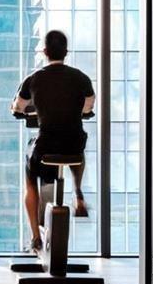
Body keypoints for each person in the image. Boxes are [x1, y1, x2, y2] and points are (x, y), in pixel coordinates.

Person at [11, 29, 95, 252]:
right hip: (73, 146)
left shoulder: (34, 78)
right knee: (77, 149)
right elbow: (88, 106)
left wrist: (29, 109)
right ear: (66, 52)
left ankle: (36, 237)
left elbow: (18, 107)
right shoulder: (81, 78)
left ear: (45, 51)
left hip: (46, 145)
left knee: (30, 173)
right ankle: (77, 193)